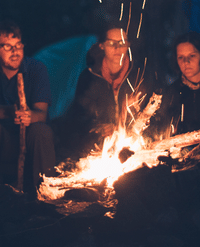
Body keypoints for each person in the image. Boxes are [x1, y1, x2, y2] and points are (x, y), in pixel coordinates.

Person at [0, 21, 56, 191]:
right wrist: (10, 113)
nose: (15, 51)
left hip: (29, 136)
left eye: (18, 45)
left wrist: (28, 116)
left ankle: (45, 194)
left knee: (41, 130)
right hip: (2, 139)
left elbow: (41, 113)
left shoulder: (36, 69)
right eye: (7, 47)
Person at [60, 23, 147, 157]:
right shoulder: (89, 77)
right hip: (100, 146)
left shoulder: (139, 75)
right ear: (102, 45)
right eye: (112, 43)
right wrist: (97, 126)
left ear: (128, 45)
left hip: (134, 142)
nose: (117, 48)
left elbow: (153, 110)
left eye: (122, 43)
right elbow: (79, 116)